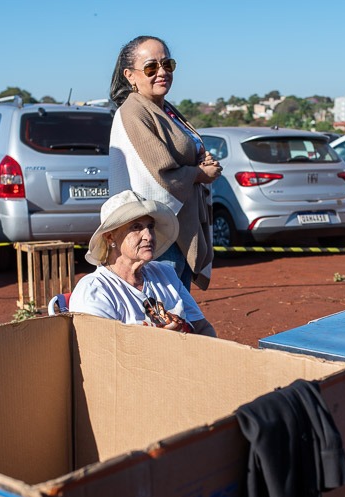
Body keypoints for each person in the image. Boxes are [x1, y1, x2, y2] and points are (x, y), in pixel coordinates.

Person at [108, 35, 222, 291]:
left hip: (179, 227)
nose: (162, 72)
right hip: (157, 234)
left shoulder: (165, 109)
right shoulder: (134, 111)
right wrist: (199, 174)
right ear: (130, 75)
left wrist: (202, 159)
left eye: (167, 64)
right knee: (165, 312)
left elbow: (183, 150)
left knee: (179, 310)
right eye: (151, 67)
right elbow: (157, 174)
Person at [69, 190, 216, 337]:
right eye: (136, 227)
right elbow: (103, 352)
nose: (149, 236)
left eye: (150, 226)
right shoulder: (95, 291)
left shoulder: (165, 273)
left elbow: (203, 328)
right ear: (110, 237)